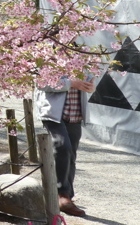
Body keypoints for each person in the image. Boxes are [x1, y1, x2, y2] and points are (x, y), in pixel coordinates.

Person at [35, 75, 96, 217]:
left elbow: (90, 81)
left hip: (75, 112)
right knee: (63, 147)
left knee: (71, 154)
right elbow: (40, 83)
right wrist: (71, 84)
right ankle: (61, 194)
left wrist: (91, 87)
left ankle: (67, 195)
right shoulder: (47, 53)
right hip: (53, 113)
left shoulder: (84, 53)